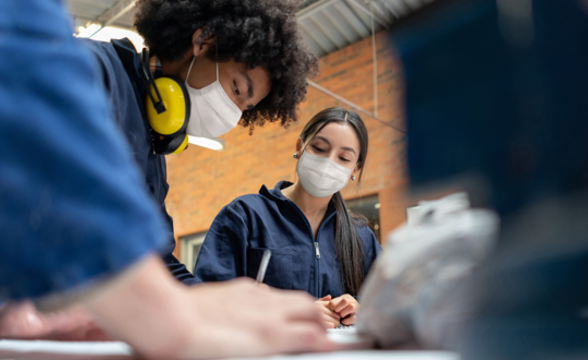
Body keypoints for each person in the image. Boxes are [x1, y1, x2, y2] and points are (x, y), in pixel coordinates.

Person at [0, 0, 333, 358]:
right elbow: (50, 176)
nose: (233, 115)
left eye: (245, 110)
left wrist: (207, 300)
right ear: (203, 40)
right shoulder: (90, 70)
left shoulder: (154, 146)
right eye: (238, 88)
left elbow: (157, 257)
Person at [194, 108, 382, 328]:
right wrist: (289, 312)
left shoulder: (361, 238)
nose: (328, 162)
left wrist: (363, 311)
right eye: (319, 148)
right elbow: (207, 300)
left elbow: (396, 305)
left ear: (355, 170)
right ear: (299, 148)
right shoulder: (245, 216)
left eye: (343, 158)